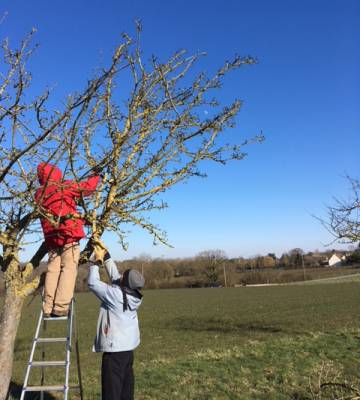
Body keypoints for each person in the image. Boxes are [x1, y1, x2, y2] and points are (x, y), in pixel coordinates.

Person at [35, 162, 100, 317]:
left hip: (51, 238)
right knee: (69, 269)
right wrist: (96, 175)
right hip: (68, 234)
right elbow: (87, 188)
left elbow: (60, 209)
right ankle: (61, 307)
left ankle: (48, 306)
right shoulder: (63, 186)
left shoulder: (39, 194)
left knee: (53, 270)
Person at [88, 241, 145, 400]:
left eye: (123, 276)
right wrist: (106, 255)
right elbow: (116, 278)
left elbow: (92, 283)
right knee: (126, 391)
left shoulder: (116, 295)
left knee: (111, 393)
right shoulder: (133, 295)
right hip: (127, 349)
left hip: (114, 353)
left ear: (125, 283)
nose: (120, 275)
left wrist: (95, 262)